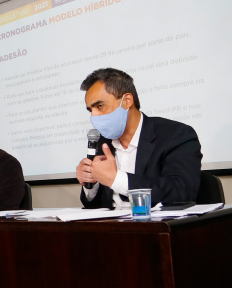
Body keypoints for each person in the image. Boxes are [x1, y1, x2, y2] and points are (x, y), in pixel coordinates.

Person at [76, 68, 202, 208]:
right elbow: (98, 207)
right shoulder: (103, 142)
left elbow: (182, 192)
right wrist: (91, 184)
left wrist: (116, 179)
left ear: (127, 100)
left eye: (100, 106)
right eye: (90, 110)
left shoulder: (176, 135)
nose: (94, 117)